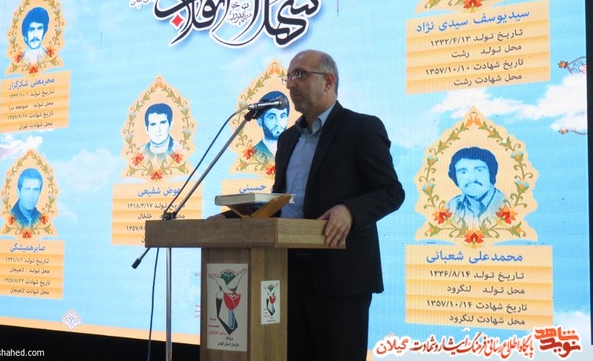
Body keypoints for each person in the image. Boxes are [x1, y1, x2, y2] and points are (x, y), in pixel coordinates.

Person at [216, 50, 405, 360]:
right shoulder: (288, 139)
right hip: (287, 274)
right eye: (289, 77)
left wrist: (350, 210)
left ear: (328, 81)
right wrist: (231, 218)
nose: (291, 84)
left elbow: (391, 192)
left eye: (300, 74)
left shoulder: (361, 128)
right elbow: (279, 202)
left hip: (340, 278)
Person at [446, 146, 508, 228]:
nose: (472, 178)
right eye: (463, 172)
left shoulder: (508, 204)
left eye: (479, 170)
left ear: (491, 173)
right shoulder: (451, 206)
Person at [253, 90, 289, 162]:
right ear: (260, 122)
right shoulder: (254, 154)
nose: (278, 123)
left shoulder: (296, 149)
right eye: (272, 117)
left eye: (282, 116)